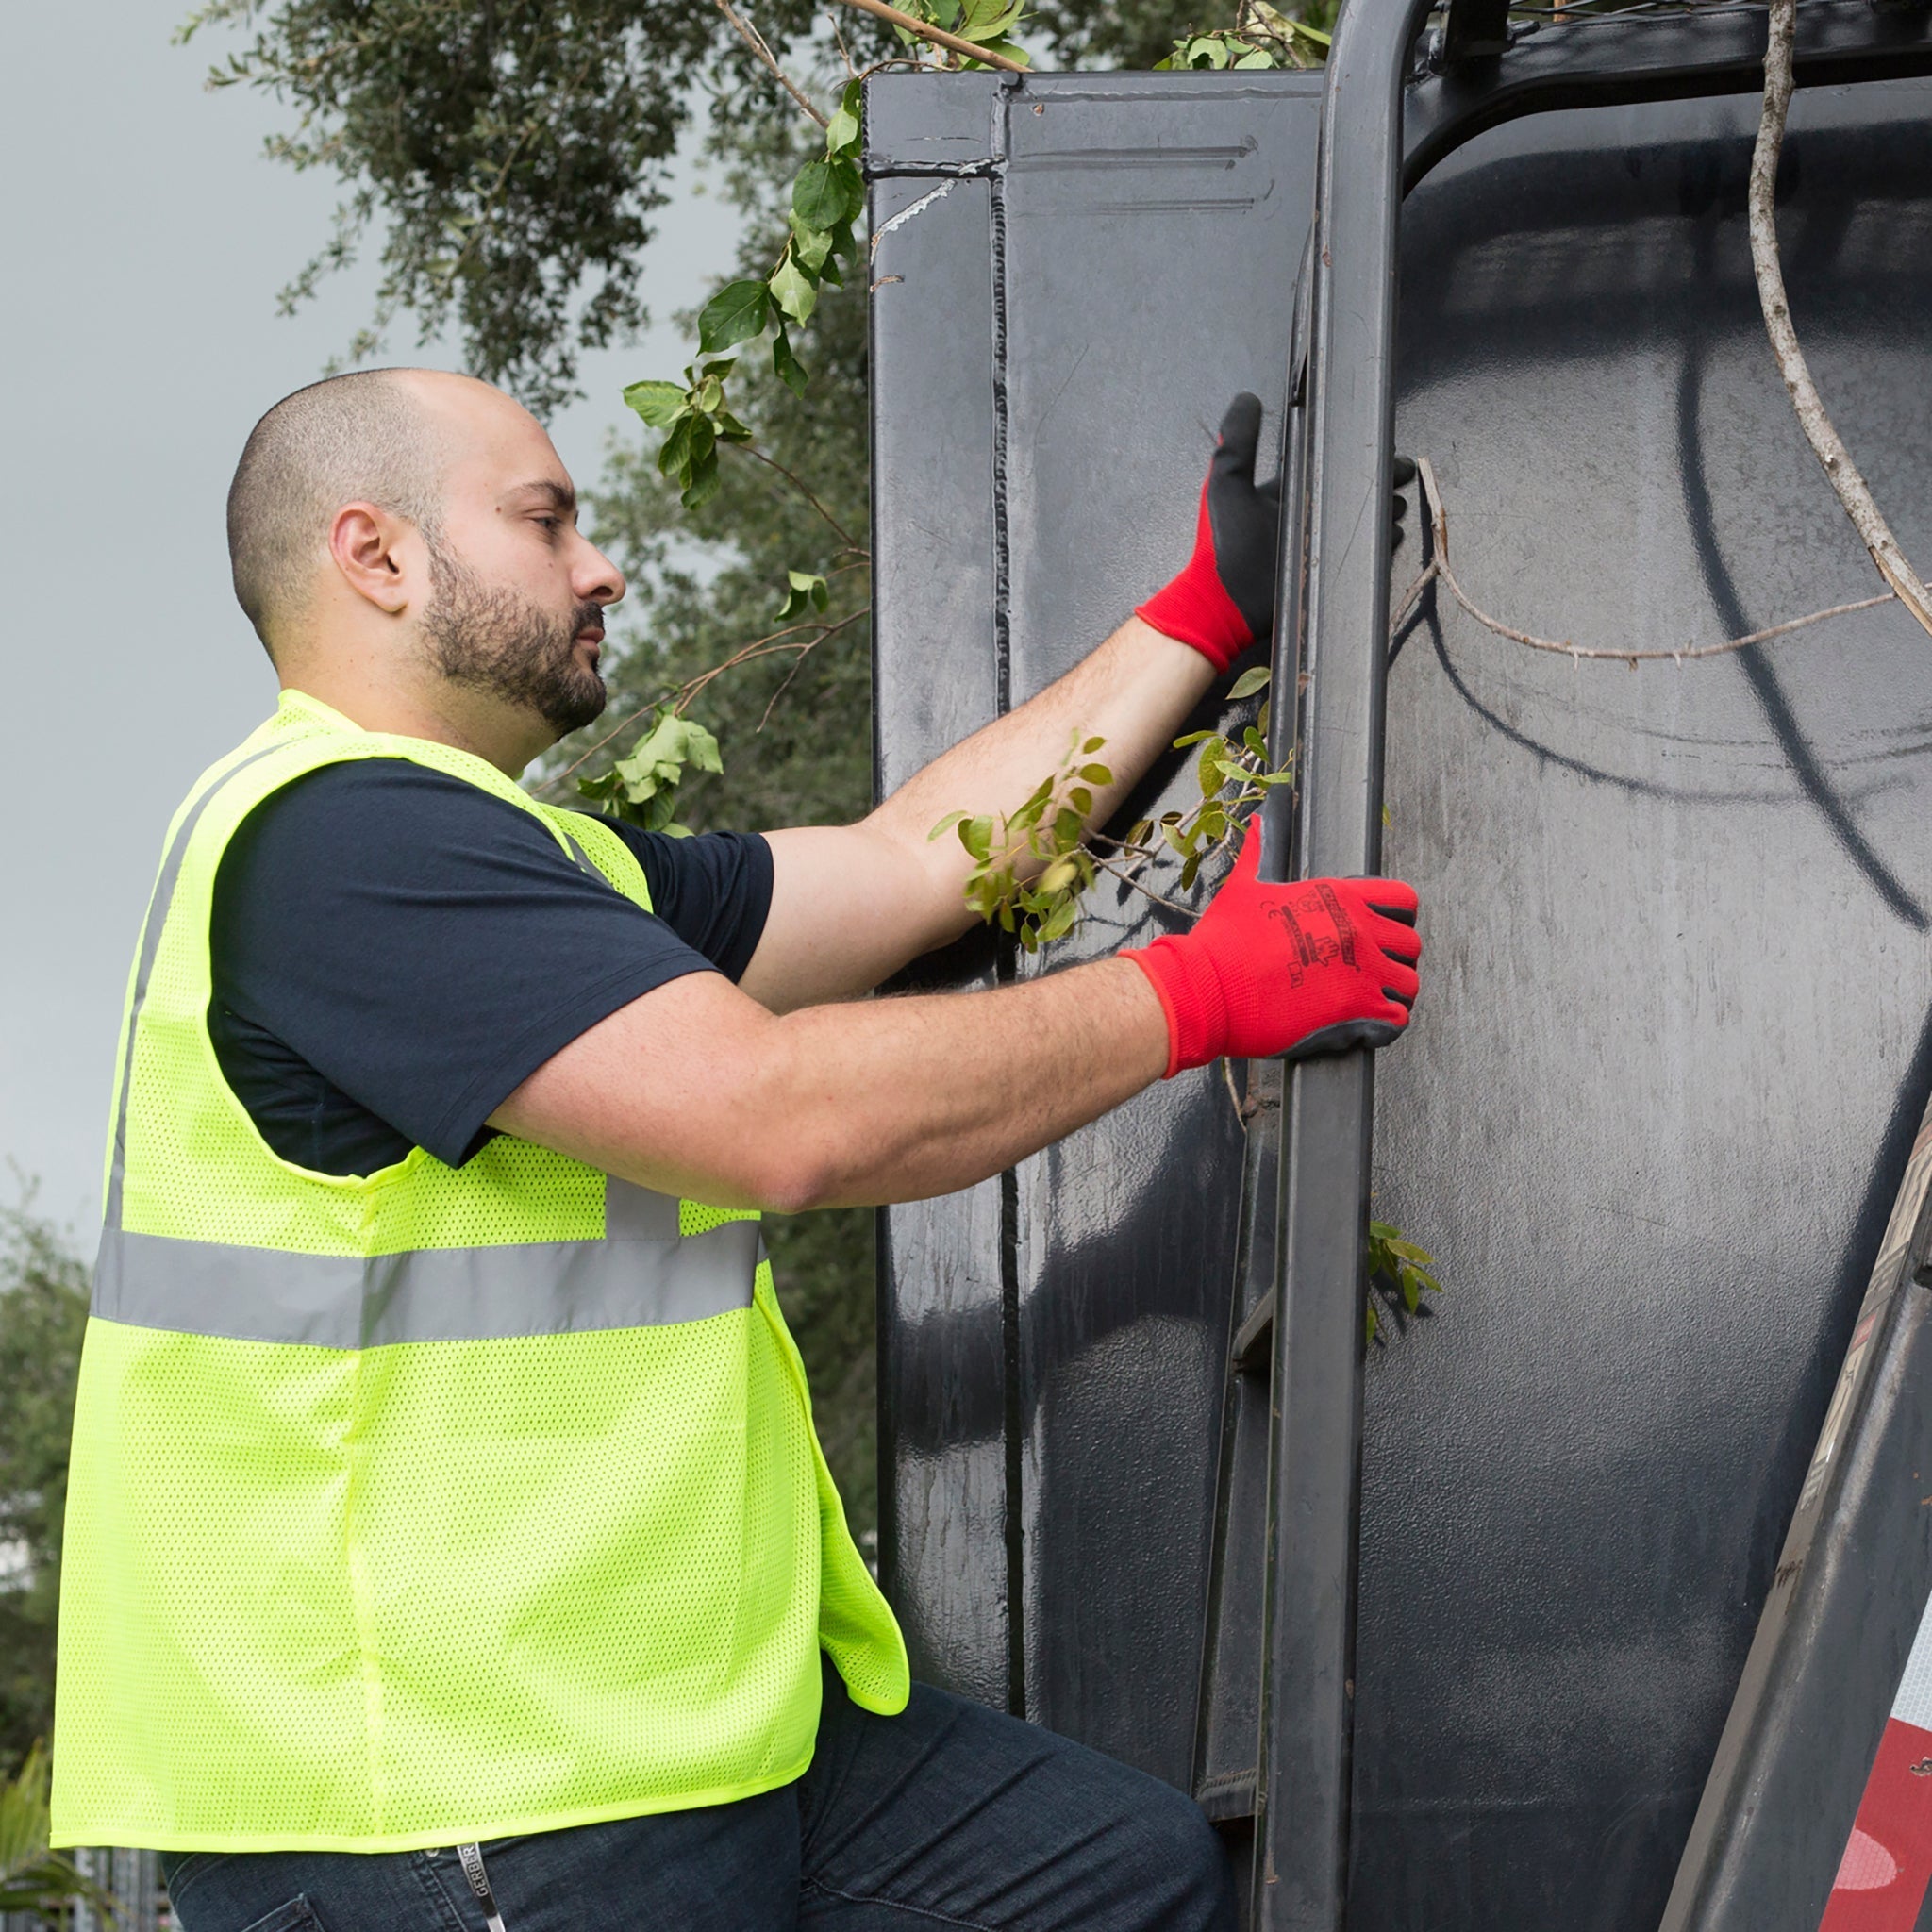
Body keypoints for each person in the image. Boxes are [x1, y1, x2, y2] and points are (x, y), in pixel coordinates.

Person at [51, 369, 1421, 1932]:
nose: (600, 564)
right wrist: (1197, 992)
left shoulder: (532, 862)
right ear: (379, 557)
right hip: (457, 1806)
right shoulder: (343, 846)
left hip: (676, 1744)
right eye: (545, 519)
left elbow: (912, 868)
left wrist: (1199, 618)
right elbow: (776, 1119)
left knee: (1120, 1878)